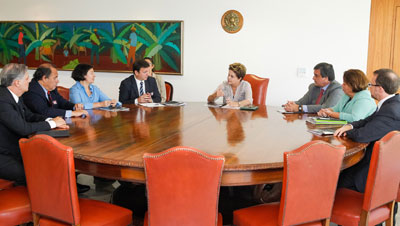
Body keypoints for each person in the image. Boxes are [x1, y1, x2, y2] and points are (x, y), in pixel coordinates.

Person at [0, 63, 68, 185]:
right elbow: (23, 128)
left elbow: (29, 115)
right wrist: (52, 124)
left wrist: (50, 120)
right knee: (36, 172)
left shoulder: (14, 95)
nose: (30, 81)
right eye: (26, 78)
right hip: (3, 155)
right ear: (17, 83)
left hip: (14, 149)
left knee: (51, 161)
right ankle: (38, 201)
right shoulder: (2, 100)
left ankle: (58, 196)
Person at [334, 68, 400, 192]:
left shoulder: (391, 111)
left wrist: (345, 132)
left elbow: (362, 135)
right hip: (378, 166)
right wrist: (350, 126)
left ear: (380, 88)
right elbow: (367, 120)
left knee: (331, 181)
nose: (368, 87)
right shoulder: (391, 103)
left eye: (371, 84)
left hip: (372, 174)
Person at [22, 63, 87, 118]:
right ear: (44, 78)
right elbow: (44, 111)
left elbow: (62, 102)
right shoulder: (31, 90)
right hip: (38, 128)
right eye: (55, 78)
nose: (57, 81)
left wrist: (74, 107)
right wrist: (72, 113)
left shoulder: (51, 88)